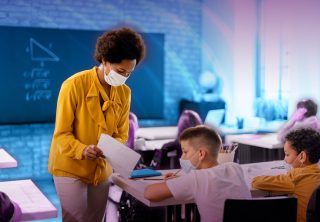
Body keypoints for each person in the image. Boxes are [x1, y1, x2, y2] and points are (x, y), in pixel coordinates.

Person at [48, 27, 145, 222]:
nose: (124, 77)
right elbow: (62, 134)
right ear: (104, 61)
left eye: (129, 73)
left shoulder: (124, 92)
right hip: (70, 166)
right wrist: (83, 149)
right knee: (75, 219)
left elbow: (121, 134)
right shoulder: (73, 85)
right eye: (120, 71)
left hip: (101, 169)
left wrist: (110, 147)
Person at [144, 125, 251, 222]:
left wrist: (179, 181)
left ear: (201, 154)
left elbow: (149, 193)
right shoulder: (235, 168)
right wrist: (180, 180)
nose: (182, 157)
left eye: (185, 152)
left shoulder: (196, 179)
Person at [252, 128, 320, 222]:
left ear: (302, 156)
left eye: (287, 155)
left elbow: (256, 182)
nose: (285, 159)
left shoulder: (295, 178)